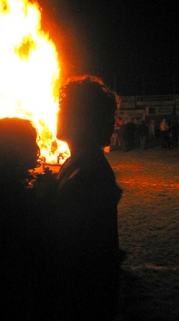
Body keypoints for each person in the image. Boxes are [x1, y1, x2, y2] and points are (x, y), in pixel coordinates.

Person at [0, 117, 55, 321]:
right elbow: (29, 244)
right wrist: (46, 198)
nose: (37, 147)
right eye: (31, 141)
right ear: (15, 149)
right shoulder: (9, 196)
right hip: (13, 297)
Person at [55, 75, 121, 320]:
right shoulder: (76, 162)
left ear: (82, 119)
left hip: (82, 302)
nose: (57, 114)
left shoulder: (89, 172)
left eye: (64, 109)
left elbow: (75, 250)